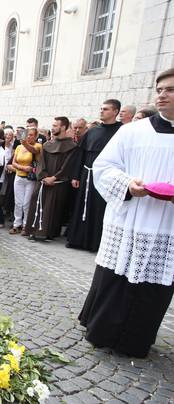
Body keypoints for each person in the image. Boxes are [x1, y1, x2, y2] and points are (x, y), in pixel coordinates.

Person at [79, 68, 174, 358]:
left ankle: (136, 340)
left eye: (170, 89)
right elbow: (105, 168)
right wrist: (128, 185)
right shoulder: (133, 131)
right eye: (159, 89)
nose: (162, 94)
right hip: (131, 217)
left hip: (166, 226)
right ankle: (103, 333)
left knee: (152, 287)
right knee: (116, 278)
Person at [66, 99, 123, 251]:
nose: (101, 111)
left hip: (109, 177)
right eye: (101, 109)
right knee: (84, 206)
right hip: (88, 175)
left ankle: (96, 243)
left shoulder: (122, 131)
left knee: (100, 209)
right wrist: (76, 176)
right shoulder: (92, 131)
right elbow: (81, 154)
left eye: (105, 109)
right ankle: (79, 239)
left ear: (115, 112)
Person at [24, 117, 77, 241]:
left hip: (57, 183)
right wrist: (44, 176)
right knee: (36, 203)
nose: (52, 128)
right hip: (43, 181)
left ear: (63, 127)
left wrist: (54, 178)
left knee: (51, 208)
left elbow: (68, 166)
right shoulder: (47, 144)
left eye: (55, 126)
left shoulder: (72, 146)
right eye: (52, 126)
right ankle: (32, 230)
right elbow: (41, 162)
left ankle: (46, 233)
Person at [9, 127, 42, 235]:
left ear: (36, 136)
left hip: (30, 179)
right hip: (19, 176)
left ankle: (25, 225)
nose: (29, 137)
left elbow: (34, 151)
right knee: (18, 202)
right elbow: (13, 162)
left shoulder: (38, 145)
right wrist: (22, 168)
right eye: (27, 134)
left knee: (26, 203)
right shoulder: (19, 147)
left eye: (31, 135)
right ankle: (16, 224)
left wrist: (25, 143)